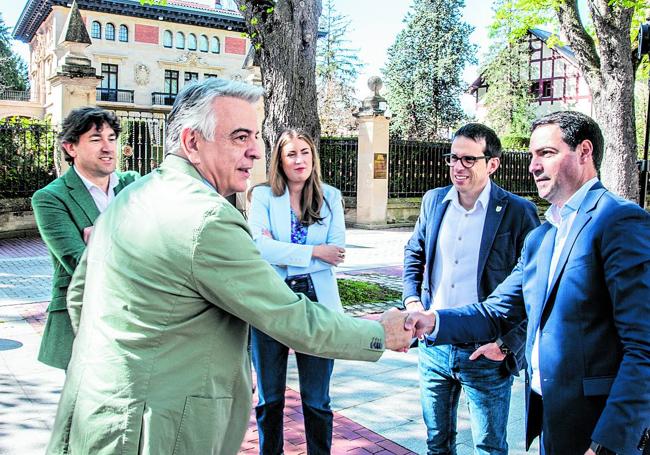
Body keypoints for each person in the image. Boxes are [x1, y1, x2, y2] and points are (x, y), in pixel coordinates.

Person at [46, 78, 415, 455]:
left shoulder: (131, 195)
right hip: (157, 430)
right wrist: (379, 334)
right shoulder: (207, 218)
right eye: (240, 137)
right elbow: (289, 317)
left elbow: (80, 296)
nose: (256, 151)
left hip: (95, 414)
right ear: (192, 142)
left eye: (255, 136)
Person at [407, 111, 650, 455]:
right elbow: (496, 311)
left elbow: (643, 346)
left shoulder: (619, 221)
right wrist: (432, 321)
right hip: (550, 416)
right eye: (533, 155)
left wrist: (609, 442)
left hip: (598, 428)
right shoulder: (542, 238)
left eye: (546, 153)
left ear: (584, 152)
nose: (533, 166)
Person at [403, 123, 539, 454]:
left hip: (484, 351)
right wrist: (412, 301)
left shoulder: (518, 211)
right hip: (433, 345)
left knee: (489, 446)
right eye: (453, 158)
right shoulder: (434, 201)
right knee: (437, 441)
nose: (457, 167)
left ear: (492, 164)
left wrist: (507, 346)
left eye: (468, 159)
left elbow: (533, 287)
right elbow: (414, 252)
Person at [248, 129, 347, 454]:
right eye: (291, 153)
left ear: (313, 157)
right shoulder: (262, 196)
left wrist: (287, 252)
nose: (299, 159)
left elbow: (337, 250)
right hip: (272, 303)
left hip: (318, 304)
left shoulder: (330, 196)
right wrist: (313, 252)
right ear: (279, 159)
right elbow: (260, 248)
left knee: (317, 400)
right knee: (269, 399)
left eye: (304, 152)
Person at [31, 107, 139, 370]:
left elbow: (159, 245)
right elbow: (80, 264)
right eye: (95, 139)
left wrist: (101, 238)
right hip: (82, 322)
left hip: (138, 318)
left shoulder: (133, 184)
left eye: (112, 138)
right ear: (70, 147)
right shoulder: (50, 198)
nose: (107, 147)